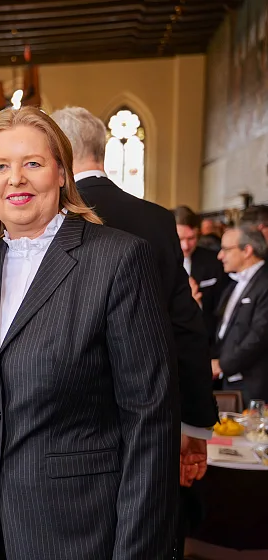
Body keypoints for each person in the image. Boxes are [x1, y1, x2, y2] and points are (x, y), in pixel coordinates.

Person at [0, 107, 178, 559]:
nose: (16, 179)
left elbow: (150, 422)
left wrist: (137, 550)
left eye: (33, 163)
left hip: (78, 530)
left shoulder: (118, 260)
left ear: (62, 173)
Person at [52, 107, 217, 489]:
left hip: (67, 422)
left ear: (59, 153)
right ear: (102, 149)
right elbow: (184, 324)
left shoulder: (55, 216)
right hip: (151, 410)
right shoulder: (157, 219)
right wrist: (195, 425)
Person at [213, 225, 268, 404]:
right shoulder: (232, 285)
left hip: (255, 385)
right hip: (229, 382)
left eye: (226, 249)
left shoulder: (265, 282)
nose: (220, 255)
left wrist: (222, 365)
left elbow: (259, 335)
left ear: (247, 250)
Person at [173, 205, 230, 354]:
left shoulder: (213, 261)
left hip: (207, 343)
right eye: (180, 239)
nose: (185, 246)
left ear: (199, 233)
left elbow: (223, 306)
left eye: (191, 238)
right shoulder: (160, 261)